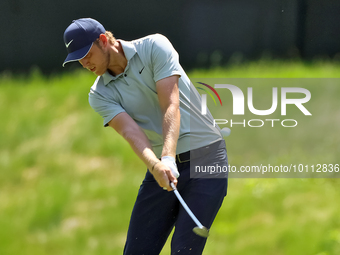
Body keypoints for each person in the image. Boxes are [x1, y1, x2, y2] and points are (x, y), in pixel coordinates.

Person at [62, 18, 228, 255]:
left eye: (86, 53)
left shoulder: (154, 47)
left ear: (102, 40)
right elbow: (130, 131)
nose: (83, 62)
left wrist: (168, 158)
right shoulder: (99, 94)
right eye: (77, 58)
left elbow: (170, 104)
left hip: (207, 158)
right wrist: (156, 165)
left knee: (185, 249)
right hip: (161, 167)